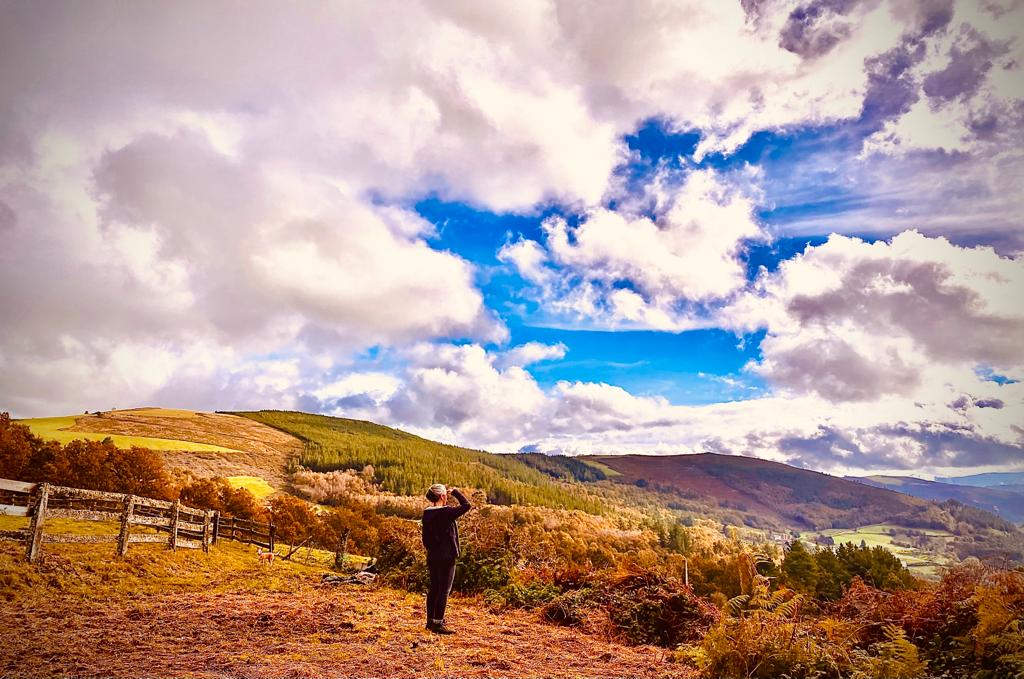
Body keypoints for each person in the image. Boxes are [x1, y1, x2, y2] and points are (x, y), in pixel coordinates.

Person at [421, 483, 471, 634]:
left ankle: (430, 621)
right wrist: (455, 492)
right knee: (444, 590)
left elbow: (426, 538)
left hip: (433, 556)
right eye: (446, 495)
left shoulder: (427, 513)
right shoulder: (447, 512)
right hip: (447, 557)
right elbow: (466, 505)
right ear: (442, 496)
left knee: (434, 588)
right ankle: (438, 623)